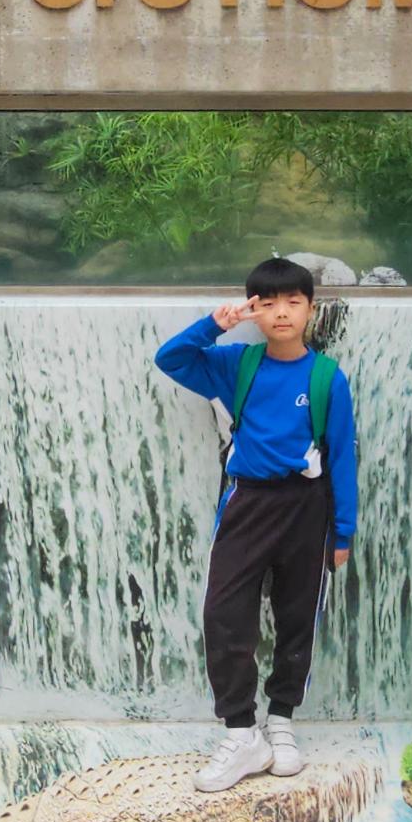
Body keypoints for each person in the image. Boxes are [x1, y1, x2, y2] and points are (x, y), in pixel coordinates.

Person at [154, 258, 358, 792]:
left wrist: (342, 532)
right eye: (267, 303)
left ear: (311, 309)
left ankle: (282, 719)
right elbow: (170, 358)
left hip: (306, 507)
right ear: (254, 311)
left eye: (293, 301)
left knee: (297, 616)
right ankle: (242, 731)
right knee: (223, 613)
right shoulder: (235, 364)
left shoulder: (327, 378)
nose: (281, 312)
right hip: (246, 503)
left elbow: (343, 458)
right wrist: (216, 325)